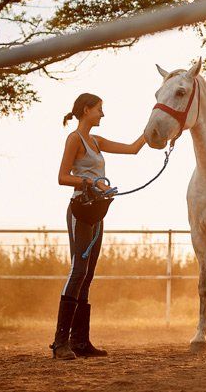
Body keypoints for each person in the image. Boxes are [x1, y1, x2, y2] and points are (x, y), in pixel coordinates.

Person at [51, 93, 146, 360]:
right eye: (99, 109)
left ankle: (80, 342)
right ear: (86, 110)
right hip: (80, 209)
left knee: (88, 274)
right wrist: (91, 183)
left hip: (96, 210)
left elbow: (133, 149)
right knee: (78, 270)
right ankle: (60, 343)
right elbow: (62, 177)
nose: (102, 114)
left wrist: (154, 130)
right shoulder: (75, 139)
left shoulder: (97, 141)